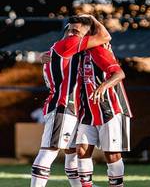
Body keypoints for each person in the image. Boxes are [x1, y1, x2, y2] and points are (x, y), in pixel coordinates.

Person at [31, 14, 111, 187]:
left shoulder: (64, 48)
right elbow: (105, 36)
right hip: (63, 106)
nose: (74, 34)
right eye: (71, 30)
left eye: (77, 31)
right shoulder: (69, 43)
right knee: (49, 151)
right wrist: (91, 18)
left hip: (72, 108)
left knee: (72, 152)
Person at [75, 43, 133, 187]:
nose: (72, 34)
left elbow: (120, 73)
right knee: (81, 151)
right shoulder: (77, 53)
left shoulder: (99, 49)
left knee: (111, 155)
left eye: (76, 30)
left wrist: (102, 87)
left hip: (109, 110)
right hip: (87, 111)